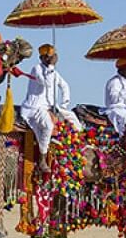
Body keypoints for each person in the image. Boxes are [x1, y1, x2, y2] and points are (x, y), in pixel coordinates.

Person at [20, 44, 83, 172]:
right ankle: (42, 159)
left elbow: (64, 86)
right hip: (35, 108)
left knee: (73, 118)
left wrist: (64, 104)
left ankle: (80, 149)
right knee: (48, 126)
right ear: (42, 58)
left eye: (52, 56)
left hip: (51, 106)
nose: (51, 59)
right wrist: (51, 66)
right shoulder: (36, 69)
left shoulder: (54, 72)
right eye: (48, 57)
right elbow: (46, 83)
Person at [101, 58, 126, 136]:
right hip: (116, 110)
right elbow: (114, 100)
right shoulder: (113, 82)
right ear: (122, 69)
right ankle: (124, 140)